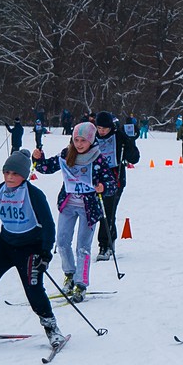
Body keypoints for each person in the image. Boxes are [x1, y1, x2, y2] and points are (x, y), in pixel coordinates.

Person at [0, 149, 67, 352]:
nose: (9, 177)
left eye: (15, 174)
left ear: (24, 175)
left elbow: (48, 224)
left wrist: (45, 253)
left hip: (30, 246)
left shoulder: (34, 195)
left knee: (33, 289)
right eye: (6, 172)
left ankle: (52, 329)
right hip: (6, 243)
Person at [32, 122, 119, 301]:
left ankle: (81, 284)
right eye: (76, 140)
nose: (79, 144)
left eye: (83, 141)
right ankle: (70, 275)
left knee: (83, 247)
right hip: (68, 205)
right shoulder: (66, 154)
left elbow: (112, 184)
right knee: (62, 242)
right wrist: (38, 159)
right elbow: (46, 167)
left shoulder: (98, 158)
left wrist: (103, 187)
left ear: (91, 141)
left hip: (89, 208)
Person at [92, 111, 141, 261]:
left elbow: (134, 158)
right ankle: (110, 236)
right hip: (95, 180)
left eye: (105, 129)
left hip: (115, 179)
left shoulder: (119, 136)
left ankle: (105, 245)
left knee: (108, 211)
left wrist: (130, 141)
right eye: (99, 128)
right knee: (99, 212)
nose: (102, 131)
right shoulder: (92, 137)